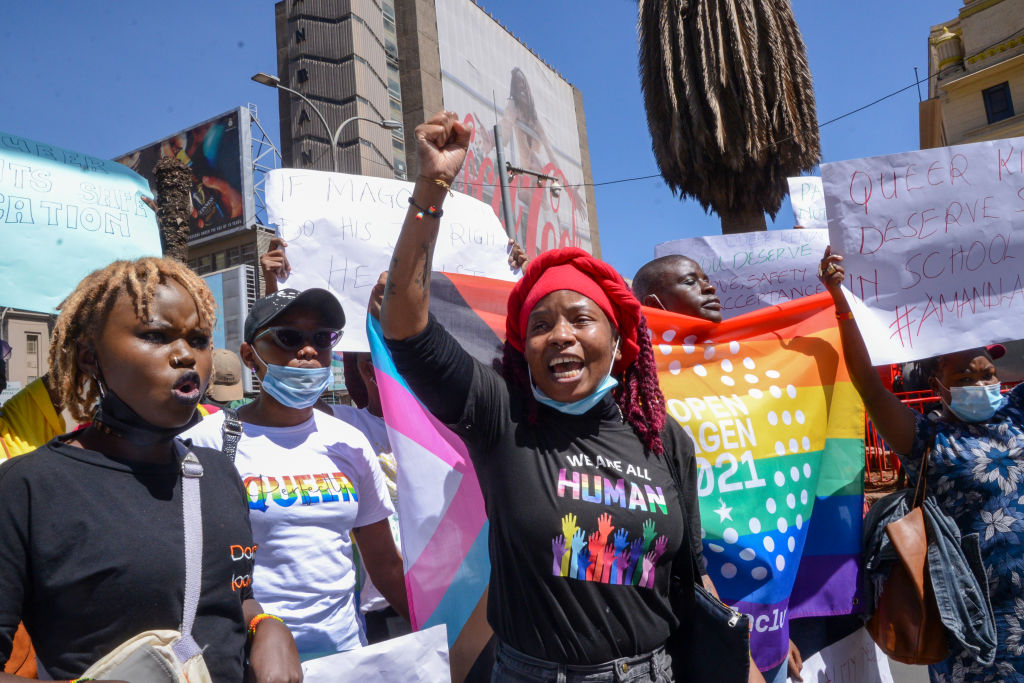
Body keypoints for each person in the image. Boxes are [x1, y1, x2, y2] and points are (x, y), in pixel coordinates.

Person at [381, 111, 764, 682]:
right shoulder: (503, 416)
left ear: (617, 341)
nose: (560, 335)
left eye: (580, 319)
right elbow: (408, 331)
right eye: (540, 324)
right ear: (524, 348)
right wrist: (431, 189)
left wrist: (746, 668)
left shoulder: (661, 439)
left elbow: (688, 572)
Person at [0, 257, 301, 681]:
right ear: (90, 357)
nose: (184, 356)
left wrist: (265, 626)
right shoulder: (27, 488)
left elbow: (233, 595)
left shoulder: (218, 474)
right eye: (156, 336)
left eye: (198, 340)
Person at [819, 247, 1024, 681]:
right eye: (964, 379)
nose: (981, 384)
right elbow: (871, 390)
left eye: (987, 374)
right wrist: (842, 303)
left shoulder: (1017, 413)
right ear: (937, 386)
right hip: (975, 620)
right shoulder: (927, 440)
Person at [184, 287, 408, 660]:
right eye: (288, 337)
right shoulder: (203, 444)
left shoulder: (350, 444)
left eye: (321, 338)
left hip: (345, 660)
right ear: (249, 356)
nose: (308, 350)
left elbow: (385, 565)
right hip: (247, 664)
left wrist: (440, 632)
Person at [632, 254, 723, 323]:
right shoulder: (632, 348)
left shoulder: (734, 346)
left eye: (706, 281)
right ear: (654, 306)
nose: (710, 287)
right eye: (690, 282)